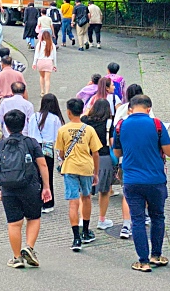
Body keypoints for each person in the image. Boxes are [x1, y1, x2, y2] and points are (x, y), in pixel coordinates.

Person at [113, 94, 170, 271]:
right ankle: (156, 255)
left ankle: (143, 261)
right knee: (157, 216)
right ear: (148, 109)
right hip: (156, 180)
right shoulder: (156, 124)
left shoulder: (121, 125)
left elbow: (117, 153)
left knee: (137, 219)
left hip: (132, 180)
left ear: (130, 109)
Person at [0, 109, 52, 268]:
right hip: (30, 186)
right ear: (24, 124)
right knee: (33, 218)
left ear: (6, 126)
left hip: (8, 188)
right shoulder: (31, 142)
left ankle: (17, 257)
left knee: (14, 223)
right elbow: (42, 164)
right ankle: (29, 247)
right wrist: (46, 187)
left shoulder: (1, 144)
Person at [55, 97, 102, 252]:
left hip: (70, 168)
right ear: (82, 111)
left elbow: (61, 153)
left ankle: (76, 238)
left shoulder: (62, 130)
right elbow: (95, 153)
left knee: (73, 202)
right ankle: (86, 231)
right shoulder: (89, 130)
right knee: (86, 197)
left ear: (68, 112)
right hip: (86, 167)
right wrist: (96, 172)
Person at [114, 82, 153, 239]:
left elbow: (114, 131)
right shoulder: (148, 112)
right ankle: (144, 215)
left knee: (127, 192)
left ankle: (126, 225)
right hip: (146, 156)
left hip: (126, 156)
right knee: (146, 188)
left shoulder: (122, 111)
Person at [83, 98, 116, 230]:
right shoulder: (109, 123)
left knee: (85, 192)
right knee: (104, 190)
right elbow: (112, 142)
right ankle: (101, 219)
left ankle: (83, 220)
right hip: (104, 157)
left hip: (86, 157)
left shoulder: (85, 121)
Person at [34, 94, 64, 214]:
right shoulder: (55, 119)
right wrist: (60, 158)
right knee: (48, 176)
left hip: (35, 147)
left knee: (35, 176)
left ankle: (36, 201)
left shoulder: (34, 117)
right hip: (48, 148)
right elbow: (58, 138)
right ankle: (48, 202)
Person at [32, 28, 57, 96]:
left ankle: (42, 91)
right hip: (49, 62)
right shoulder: (52, 45)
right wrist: (55, 65)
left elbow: (36, 54)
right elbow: (54, 56)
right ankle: (47, 92)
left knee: (41, 77)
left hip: (40, 62)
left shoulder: (39, 44)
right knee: (47, 79)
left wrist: (34, 63)